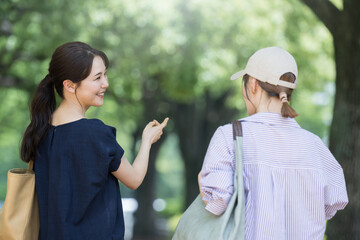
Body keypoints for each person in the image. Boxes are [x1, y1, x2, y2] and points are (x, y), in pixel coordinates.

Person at [20, 41, 169, 240]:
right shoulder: (95, 134)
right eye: (97, 78)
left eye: (105, 74)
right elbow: (134, 179)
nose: (105, 83)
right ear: (70, 85)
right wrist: (147, 141)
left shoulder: (40, 131)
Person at [198, 46, 348, 239]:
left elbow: (218, 203)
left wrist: (202, 180)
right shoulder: (315, 146)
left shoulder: (230, 136)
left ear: (252, 84)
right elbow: (333, 204)